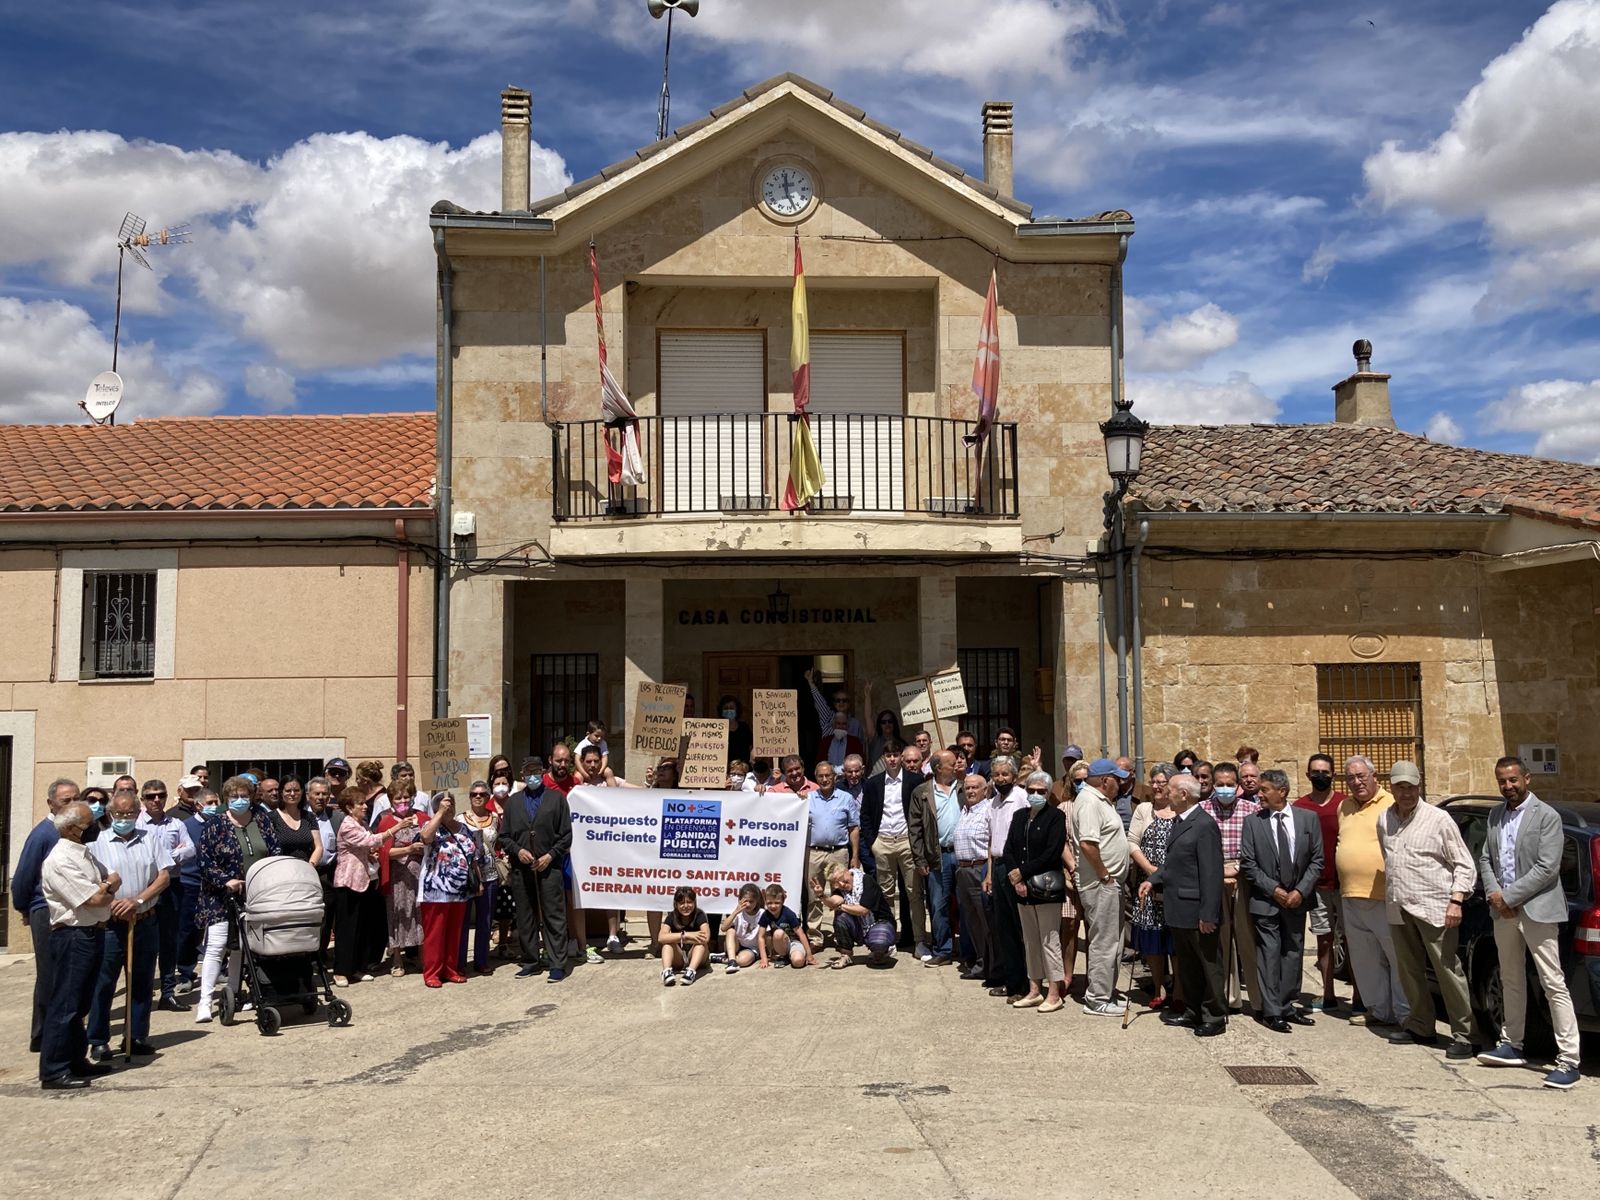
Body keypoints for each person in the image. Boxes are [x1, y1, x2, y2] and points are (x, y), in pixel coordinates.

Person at [1476, 756, 1580, 1090]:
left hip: (1537, 911)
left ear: (1527, 779)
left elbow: (1547, 868)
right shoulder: (1495, 814)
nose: (1507, 787)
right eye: (1502, 782)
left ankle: (1569, 1059)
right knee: (1510, 978)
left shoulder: (1547, 816)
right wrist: (1494, 894)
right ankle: (1511, 1044)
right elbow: (1486, 858)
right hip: (1503, 912)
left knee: (1553, 983)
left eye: (1513, 780)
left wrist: (1509, 897)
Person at [1375, 761, 1476, 1058]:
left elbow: (1464, 864)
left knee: (1447, 971)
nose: (1405, 793)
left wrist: (1456, 900)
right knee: (1409, 970)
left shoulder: (1439, 819)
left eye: (1410, 787)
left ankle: (1465, 1035)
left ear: (1419, 786)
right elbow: (1389, 857)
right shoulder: (1384, 820)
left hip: (1435, 907)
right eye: (1399, 787)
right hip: (1399, 904)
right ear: (1391, 787)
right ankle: (1421, 1026)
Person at [37, 801, 120, 1090]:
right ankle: (54, 1069)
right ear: (73, 829)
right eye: (89, 822)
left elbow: (114, 877)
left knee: (81, 1002)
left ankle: (75, 1059)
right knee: (67, 1004)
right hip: (73, 935)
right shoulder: (60, 860)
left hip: (93, 931)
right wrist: (107, 887)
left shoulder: (84, 853)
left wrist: (105, 886)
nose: (95, 826)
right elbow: (94, 899)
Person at [86, 790, 173, 1060]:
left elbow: (163, 877)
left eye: (129, 814)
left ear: (138, 813)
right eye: (119, 814)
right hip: (110, 923)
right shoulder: (97, 842)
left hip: (144, 920)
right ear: (111, 814)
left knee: (142, 980)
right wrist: (111, 902)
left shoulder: (150, 839)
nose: (124, 818)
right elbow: (89, 879)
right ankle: (98, 1040)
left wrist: (137, 900)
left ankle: (136, 1035)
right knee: (104, 983)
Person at [1238, 769, 1323, 1033]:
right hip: (1267, 901)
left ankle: (1288, 1006)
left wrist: (1300, 891)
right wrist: (1274, 889)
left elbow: (1317, 860)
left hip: (1297, 900)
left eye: (1265, 790)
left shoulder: (1308, 820)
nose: (1259, 794)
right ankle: (1272, 1011)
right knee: (1269, 954)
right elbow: (1249, 864)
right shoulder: (1253, 822)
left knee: (1293, 953)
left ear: (1282, 791)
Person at [1142, 774, 1227, 1037]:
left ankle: (1214, 1015)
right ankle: (1192, 1010)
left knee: (1208, 965)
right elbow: (1174, 863)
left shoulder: (1204, 825)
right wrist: (1153, 879)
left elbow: (1212, 873)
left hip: (1198, 910)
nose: (1165, 793)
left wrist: (1209, 913)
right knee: (1187, 965)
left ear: (1184, 794)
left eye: (1169, 790)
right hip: (1178, 908)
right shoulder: (1180, 822)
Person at [194, 777, 283, 1020]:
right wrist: (225, 880)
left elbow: (274, 850)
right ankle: (204, 1001)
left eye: (244, 796)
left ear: (252, 797)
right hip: (220, 895)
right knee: (217, 945)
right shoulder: (216, 824)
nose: (240, 801)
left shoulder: (262, 820)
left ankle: (233, 992)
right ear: (226, 799)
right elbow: (204, 861)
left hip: (255, 893)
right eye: (234, 797)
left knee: (240, 947)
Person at [1337, 756, 1408, 1030]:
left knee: (1395, 957)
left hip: (1383, 895)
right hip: (1351, 894)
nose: (1356, 782)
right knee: (1365, 958)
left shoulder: (1391, 803)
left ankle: (1405, 1015)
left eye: (1361, 776)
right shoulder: (1344, 806)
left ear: (1374, 776)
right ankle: (1379, 1010)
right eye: (1351, 778)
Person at [14, 778, 79, 1053]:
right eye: (66, 800)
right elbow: (22, 879)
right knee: (49, 975)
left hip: (72, 910)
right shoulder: (43, 834)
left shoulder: (75, 832)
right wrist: (25, 908)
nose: (73, 804)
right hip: (46, 910)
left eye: (76, 798)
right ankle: (42, 1036)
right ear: (51, 803)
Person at [500, 746, 575, 982]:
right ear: (522, 775)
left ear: (542, 772)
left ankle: (556, 963)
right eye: (528, 772)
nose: (532, 776)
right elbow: (504, 836)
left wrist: (550, 855)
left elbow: (566, 835)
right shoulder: (513, 802)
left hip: (548, 867)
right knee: (525, 916)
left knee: (554, 915)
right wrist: (518, 850)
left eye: (536, 771)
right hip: (522, 870)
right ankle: (531, 960)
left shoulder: (556, 800)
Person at [330, 787, 413, 988]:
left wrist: (370, 855)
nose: (364, 807)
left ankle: (358, 967)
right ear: (349, 808)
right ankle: (341, 971)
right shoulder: (348, 825)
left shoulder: (361, 823)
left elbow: (365, 847)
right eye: (360, 804)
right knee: (346, 928)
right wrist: (397, 827)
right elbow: (370, 840)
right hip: (348, 882)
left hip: (365, 881)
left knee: (362, 927)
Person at [1003, 771, 1068, 1011]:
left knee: (1049, 939)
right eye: (1032, 791)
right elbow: (1009, 847)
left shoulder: (1055, 817)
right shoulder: (1020, 816)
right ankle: (1034, 989)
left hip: (1046, 887)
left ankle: (1054, 992)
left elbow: (1052, 852)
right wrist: (1014, 875)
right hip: (1021, 888)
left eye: (1041, 791)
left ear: (1049, 793)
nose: (1036, 795)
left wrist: (1023, 872)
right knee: (1030, 940)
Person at [1073, 758, 1133, 1016]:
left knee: (1113, 942)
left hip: (1109, 884)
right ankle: (1097, 999)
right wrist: (1105, 875)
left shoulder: (1099, 801)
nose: (1121, 784)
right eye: (1117, 779)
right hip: (1101, 885)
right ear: (1105, 780)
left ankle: (1105, 992)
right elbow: (1088, 844)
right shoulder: (1088, 802)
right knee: (1104, 942)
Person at [1199, 761, 1260, 1014]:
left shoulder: (1251, 810)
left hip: (1243, 877)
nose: (1225, 789)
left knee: (1248, 940)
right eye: (1220, 785)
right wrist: (1220, 873)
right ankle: (1223, 998)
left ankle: (1258, 1002)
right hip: (1213, 878)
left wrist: (1237, 870)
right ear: (1213, 785)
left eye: (1230, 785)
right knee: (1219, 943)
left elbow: (1258, 847)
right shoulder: (1201, 810)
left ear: (1237, 786)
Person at [859, 741, 929, 956]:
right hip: (884, 843)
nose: (892, 759)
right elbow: (866, 816)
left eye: (895, 755)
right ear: (883, 758)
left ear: (901, 757)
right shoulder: (873, 784)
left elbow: (920, 815)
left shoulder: (915, 781)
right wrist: (874, 843)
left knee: (914, 893)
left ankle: (919, 941)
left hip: (906, 842)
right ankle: (887, 939)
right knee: (886, 895)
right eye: (888, 755)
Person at [417, 790, 490, 988]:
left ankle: (450, 969)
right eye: (442, 803)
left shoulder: (464, 829)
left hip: (459, 891)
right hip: (435, 891)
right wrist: (439, 814)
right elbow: (425, 837)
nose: (448, 806)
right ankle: (432, 972)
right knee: (435, 934)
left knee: (454, 932)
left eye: (450, 803)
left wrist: (479, 881)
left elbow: (473, 856)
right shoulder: (430, 826)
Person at [135, 778, 194, 1013]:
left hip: (172, 886)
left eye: (160, 795)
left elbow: (190, 848)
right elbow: (140, 857)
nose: (156, 800)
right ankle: (142, 992)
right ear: (143, 800)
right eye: (150, 796)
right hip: (145, 887)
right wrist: (170, 856)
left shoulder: (176, 823)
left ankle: (168, 993)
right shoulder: (136, 824)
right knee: (144, 943)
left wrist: (164, 858)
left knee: (169, 941)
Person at [1294, 753, 1346, 1011]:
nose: (1320, 776)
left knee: (1353, 942)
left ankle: (1359, 997)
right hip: (1317, 885)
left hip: (1346, 884)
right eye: (1316, 772)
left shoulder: (1346, 804)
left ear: (1334, 775)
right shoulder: (1299, 807)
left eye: (1325, 772)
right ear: (1307, 775)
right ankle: (1328, 994)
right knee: (1324, 940)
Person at [1128, 770, 1180, 1008]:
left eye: (1163, 782)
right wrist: (1151, 870)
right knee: (1154, 939)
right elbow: (1132, 842)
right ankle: (1159, 987)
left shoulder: (1181, 810)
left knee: (1176, 939)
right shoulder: (1143, 810)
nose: (1158, 786)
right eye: (1154, 782)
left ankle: (1180, 990)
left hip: (1176, 883)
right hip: (1147, 883)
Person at [982, 755, 1028, 1001]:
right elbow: (992, 842)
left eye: (1005, 774)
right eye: (997, 774)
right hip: (998, 866)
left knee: (1019, 927)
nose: (1000, 779)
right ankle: (1012, 982)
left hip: (1015, 867)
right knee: (1004, 928)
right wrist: (989, 874)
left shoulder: (1020, 798)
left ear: (1014, 775)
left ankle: (1025, 984)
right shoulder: (993, 802)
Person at [910, 748, 962, 966]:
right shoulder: (922, 792)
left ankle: (970, 951)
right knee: (938, 905)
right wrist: (920, 859)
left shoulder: (964, 787)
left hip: (964, 856)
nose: (958, 765)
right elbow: (915, 829)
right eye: (952, 763)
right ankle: (943, 950)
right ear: (939, 768)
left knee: (965, 905)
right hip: (937, 856)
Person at [804, 762, 859, 943]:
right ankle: (815, 937)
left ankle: (842, 933)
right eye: (821, 776)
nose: (825, 779)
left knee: (841, 894)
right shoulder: (808, 798)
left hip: (839, 852)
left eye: (828, 775)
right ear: (816, 778)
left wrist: (855, 855)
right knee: (814, 895)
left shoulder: (846, 798)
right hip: (814, 853)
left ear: (835, 777)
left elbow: (853, 828)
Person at [377, 781, 425, 977]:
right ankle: (397, 958)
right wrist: (408, 849)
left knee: (419, 914)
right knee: (397, 914)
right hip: (397, 877)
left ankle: (422, 956)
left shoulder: (422, 818)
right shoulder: (386, 822)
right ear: (391, 801)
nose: (403, 801)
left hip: (419, 875)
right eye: (398, 798)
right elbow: (383, 853)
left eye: (406, 797)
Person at [459, 782, 502, 975]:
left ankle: (481, 960)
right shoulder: (460, 819)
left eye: (483, 794)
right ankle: (459, 961)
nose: (478, 797)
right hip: (466, 876)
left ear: (488, 796)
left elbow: (499, 841)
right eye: (474, 794)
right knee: (463, 921)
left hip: (490, 875)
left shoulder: (495, 818)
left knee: (485, 920)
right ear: (469, 796)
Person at [953, 773, 993, 981]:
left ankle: (993, 966)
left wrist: (989, 873)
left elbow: (991, 843)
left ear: (985, 790)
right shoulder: (965, 811)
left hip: (980, 870)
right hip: (963, 871)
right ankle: (981, 963)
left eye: (975, 787)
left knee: (986, 921)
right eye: (967, 788)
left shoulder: (989, 810)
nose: (970, 791)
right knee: (972, 922)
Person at [822, 862, 896, 967]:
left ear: (847, 872)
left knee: (879, 941)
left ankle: (881, 952)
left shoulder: (866, 881)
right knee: (841, 917)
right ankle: (846, 955)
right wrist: (821, 895)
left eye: (842, 878)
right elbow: (834, 902)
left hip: (880, 922)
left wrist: (840, 907)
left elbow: (863, 910)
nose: (841, 884)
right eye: (836, 882)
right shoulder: (842, 890)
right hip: (860, 926)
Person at [266, 777, 323, 866]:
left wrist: (311, 865)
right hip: (280, 869)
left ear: (302, 792)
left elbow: (318, 847)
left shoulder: (309, 817)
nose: (292, 794)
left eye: (296, 790)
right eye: (288, 791)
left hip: (306, 869)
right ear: (281, 793)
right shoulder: (271, 818)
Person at [659, 886, 710, 985]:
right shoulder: (672, 916)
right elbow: (661, 937)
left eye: (689, 902)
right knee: (667, 944)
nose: (686, 906)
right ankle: (667, 972)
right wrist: (686, 935)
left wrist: (676, 938)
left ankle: (690, 972)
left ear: (694, 903)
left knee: (701, 945)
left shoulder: (699, 914)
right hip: (679, 957)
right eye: (682, 903)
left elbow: (706, 937)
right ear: (676, 904)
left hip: (696, 957)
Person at [760, 884, 814, 968]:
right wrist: (763, 958)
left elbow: (801, 934)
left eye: (777, 903)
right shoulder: (765, 915)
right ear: (765, 901)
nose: (773, 906)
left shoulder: (788, 914)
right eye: (769, 903)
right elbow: (761, 937)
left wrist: (809, 954)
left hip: (794, 943)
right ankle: (783, 956)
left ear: (783, 901)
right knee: (778, 933)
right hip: (778, 943)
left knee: (798, 962)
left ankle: (791, 957)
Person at [805, 668, 864, 740]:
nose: (841, 703)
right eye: (838, 700)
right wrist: (810, 682)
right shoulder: (828, 717)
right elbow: (819, 702)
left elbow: (860, 745)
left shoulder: (855, 724)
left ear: (849, 704)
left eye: (844, 700)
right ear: (834, 703)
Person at [722, 883, 769, 972]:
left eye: (751, 901)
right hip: (736, 946)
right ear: (740, 900)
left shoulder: (762, 913)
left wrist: (765, 956)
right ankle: (732, 961)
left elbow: (766, 935)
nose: (747, 904)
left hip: (753, 948)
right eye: (745, 901)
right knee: (730, 931)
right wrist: (735, 912)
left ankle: (721, 959)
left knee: (742, 961)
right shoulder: (739, 913)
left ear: (757, 901)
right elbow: (723, 928)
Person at [866, 709, 903, 776]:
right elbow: (868, 716)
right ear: (880, 725)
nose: (887, 724)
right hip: (874, 781)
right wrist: (867, 697)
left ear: (894, 723)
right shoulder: (875, 740)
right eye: (883, 722)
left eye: (890, 721)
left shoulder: (901, 744)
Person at [718, 696, 754, 764]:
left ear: (737, 710)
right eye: (726, 708)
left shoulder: (744, 727)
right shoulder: (717, 729)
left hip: (743, 768)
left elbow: (751, 747)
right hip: (723, 768)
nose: (728, 710)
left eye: (731, 708)